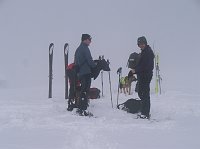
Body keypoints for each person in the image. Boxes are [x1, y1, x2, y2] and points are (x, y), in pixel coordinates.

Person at [131, 36, 154, 119]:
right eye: (140, 44)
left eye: (143, 43)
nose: (141, 45)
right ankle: (144, 110)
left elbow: (146, 66)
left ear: (145, 43)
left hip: (146, 76)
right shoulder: (144, 52)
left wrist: (135, 70)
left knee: (144, 94)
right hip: (142, 75)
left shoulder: (148, 52)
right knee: (141, 93)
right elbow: (141, 65)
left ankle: (145, 113)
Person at [74, 34, 96, 116]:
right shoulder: (85, 48)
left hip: (80, 72)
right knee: (85, 90)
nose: (90, 41)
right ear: (85, 40)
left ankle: (81, 108)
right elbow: (89, 60)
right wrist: (95, 65)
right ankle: (82, 109)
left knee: (83, 89)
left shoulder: (78, 49)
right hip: (86, 72)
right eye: (89, 39)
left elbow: (76, 61)